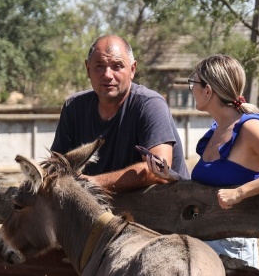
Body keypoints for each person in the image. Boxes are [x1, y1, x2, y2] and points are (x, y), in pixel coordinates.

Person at [155, 54, 259, 267]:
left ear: (208, 90)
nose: (191, 89)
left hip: (232, 247)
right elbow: (211, 185)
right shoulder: (217, 131)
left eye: (193, 83)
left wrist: (240, 193)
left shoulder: (249, 128)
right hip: (203, 239)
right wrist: (173, 176)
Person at [51, 34, 186, 193]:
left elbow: (159, 170)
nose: (107, 75)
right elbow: (57, 168)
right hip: (100, 209)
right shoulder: (74, 107)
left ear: (132, 69)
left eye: (117, 66)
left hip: (164, 209)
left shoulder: (149, 104)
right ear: (88, 69)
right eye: (99, 66)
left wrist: (91, 183)